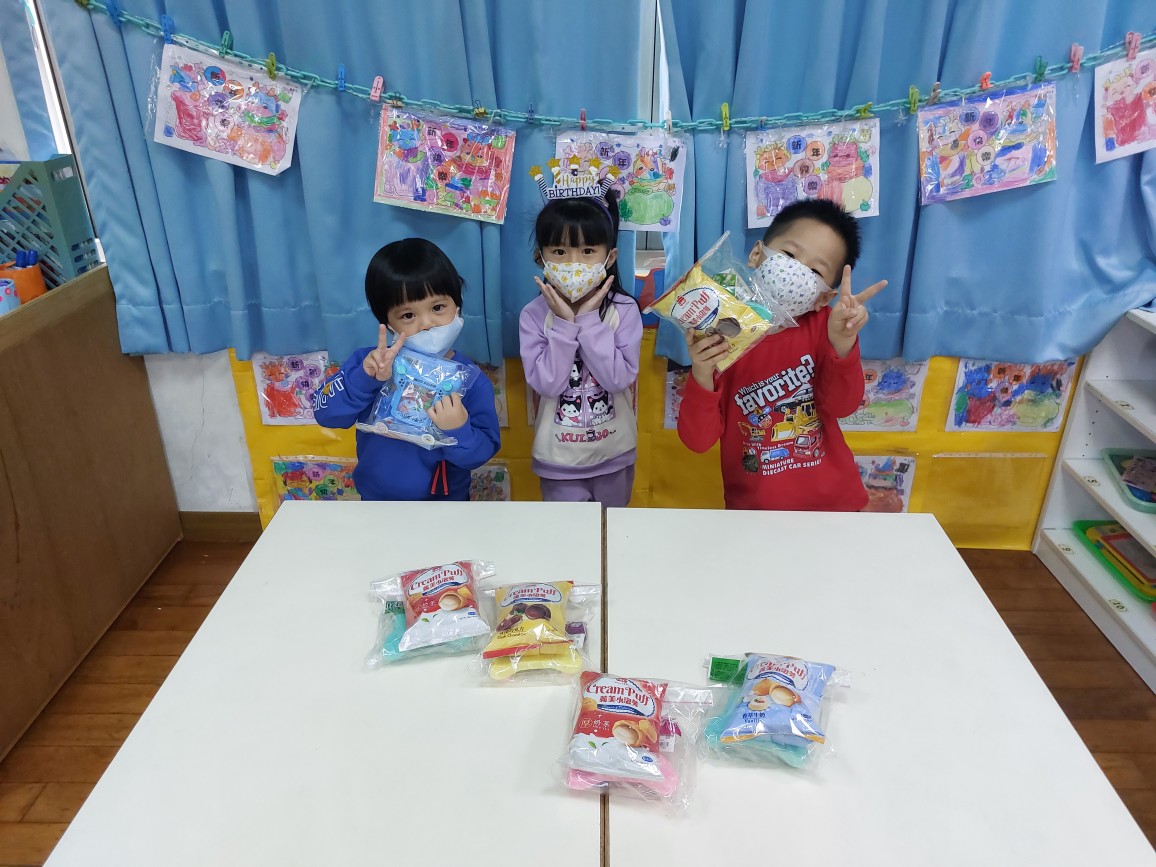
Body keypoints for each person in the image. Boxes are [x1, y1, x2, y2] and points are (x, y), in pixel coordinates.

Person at [677, 199, 886, 511]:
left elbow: (842, 406)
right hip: (756, 513)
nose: (796, 271)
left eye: (815, 270)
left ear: (824, 297)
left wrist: (843, 341)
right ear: (756, 254)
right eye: (789, 254)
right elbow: (698, 440)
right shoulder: (721, 332)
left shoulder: (825, 327)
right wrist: (702, 371)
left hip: (836, 507)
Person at [314, 238, 500, 500]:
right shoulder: (370, 364)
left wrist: (458, 429)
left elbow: (480, 455)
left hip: (446, 508)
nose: (427, 323)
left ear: (457, 306)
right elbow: (326, 415)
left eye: (438, 307)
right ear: (388, 322)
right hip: (376, 504)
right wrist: (364, 380)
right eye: (408, 315)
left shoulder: (470, 380)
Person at [519, 191, 642, 507]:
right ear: (541, 258)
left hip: (614, 455)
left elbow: (617, 380)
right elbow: (548, 385)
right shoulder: (533, 315)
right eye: (559, 251)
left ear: (609, 258)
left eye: (588, 251)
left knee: (611, 530)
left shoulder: (624, 310)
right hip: (558, 460)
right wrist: (564, 324)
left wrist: (587, 320)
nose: (573, 263)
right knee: (567, 536)